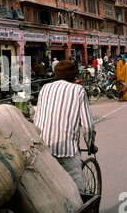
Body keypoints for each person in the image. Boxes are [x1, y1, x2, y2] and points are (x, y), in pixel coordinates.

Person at [33, 60, 98, 193]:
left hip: (44, 148)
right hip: (67, 149)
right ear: (74, 76)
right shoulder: (78, 90)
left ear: (56, 74)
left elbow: (36, 118)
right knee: (77, 188)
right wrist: (90, 144)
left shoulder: (45, 88)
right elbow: (88, 126)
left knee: (49, 187)